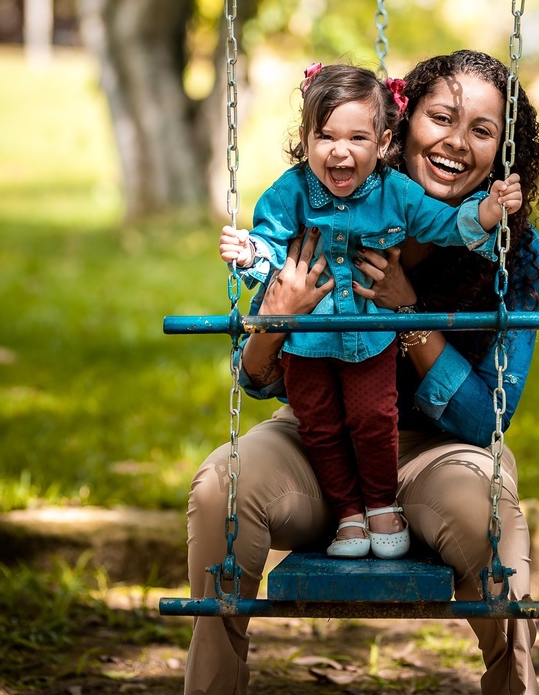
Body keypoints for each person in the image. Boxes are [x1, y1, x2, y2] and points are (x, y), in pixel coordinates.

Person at [186, 49, 539, 695]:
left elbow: (482, 420)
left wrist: (409, 314)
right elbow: (258, 381)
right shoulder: (315, 207)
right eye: (441, 118)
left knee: (490, 515)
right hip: (314, 438)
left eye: (482, 130)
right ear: (401, 126)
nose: (455, 143)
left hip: (436, 455)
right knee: (223, 486)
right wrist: (278, 314)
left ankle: (514, 685)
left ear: (503, 150)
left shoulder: (511, 249)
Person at [219, 62, 523, 560]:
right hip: (308, 345)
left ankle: (380, 505)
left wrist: (488, 213)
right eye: (326, 137)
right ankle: (348, 516)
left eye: (481, 130)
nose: (340, 151)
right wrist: (254, 260)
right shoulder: (292, 193)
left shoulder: (398, 197)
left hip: (379, 355)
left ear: (382, 142)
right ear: (308, 139)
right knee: (317, 425)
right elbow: (269, 252)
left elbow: (446, 224)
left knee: (372, 417)